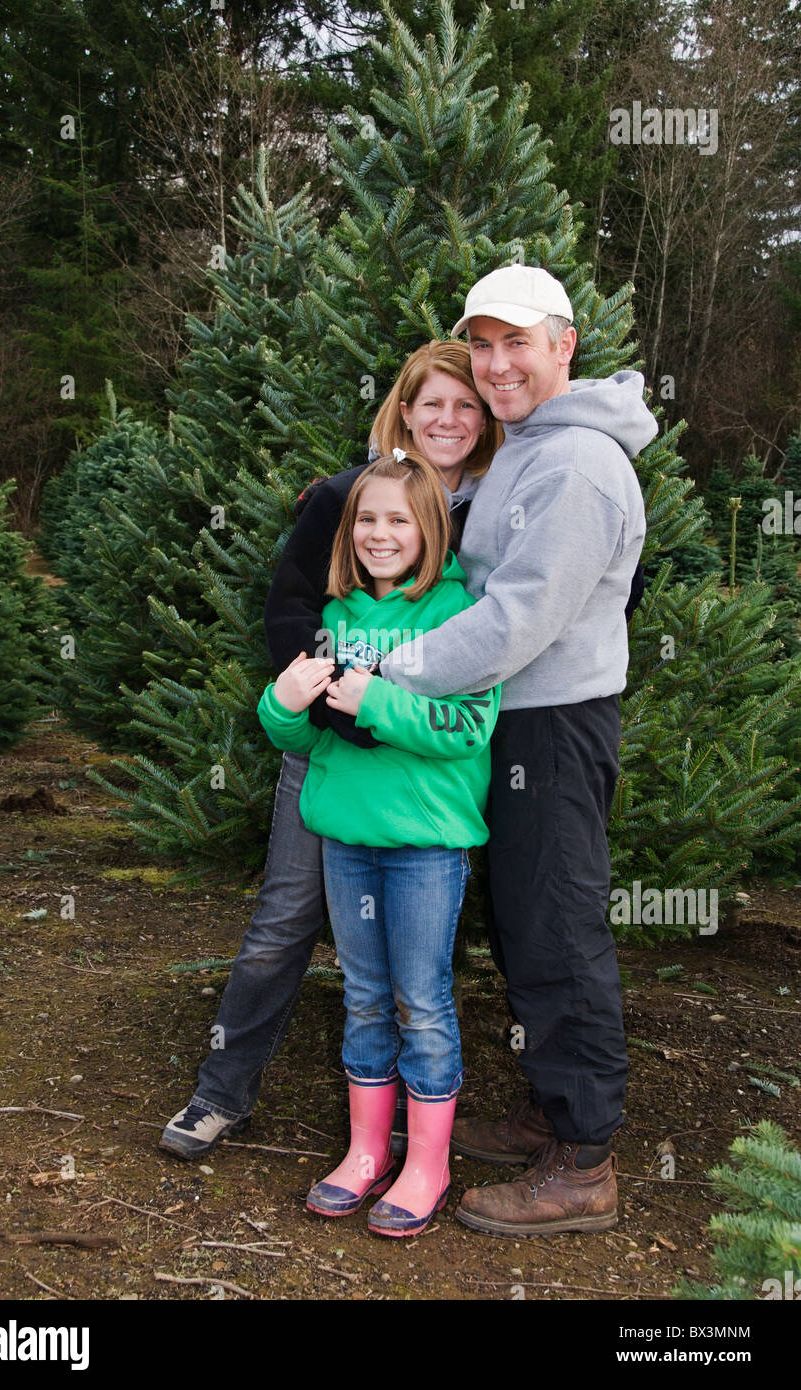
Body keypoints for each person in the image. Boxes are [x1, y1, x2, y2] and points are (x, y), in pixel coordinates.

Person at [159, 341, 502, 1160]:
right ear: (403, 411)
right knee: (283, 923)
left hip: (425, 776)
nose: (448, 420)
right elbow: (291, 609)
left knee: (415, 966)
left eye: (467, 406)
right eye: (432, 404)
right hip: (329, 749)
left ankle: (405, 1125)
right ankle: (221, 1093)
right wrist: (339, 708)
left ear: (486, 420)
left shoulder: (498, 505)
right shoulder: (349, 496)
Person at [378, 265, 658, 1236]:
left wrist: (389, 673)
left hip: (551, 720)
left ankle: (583, 1161)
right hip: (515, 718)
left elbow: (516, 615)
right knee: (521, 918)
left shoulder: (575, 463)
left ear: (563, 347)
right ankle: (551, 1109)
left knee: (556, 925)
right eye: (481, 344)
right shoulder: (534, 447)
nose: (495, 365)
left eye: (516, 344)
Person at [257, 452, 501, 1235]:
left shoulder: (459, 620)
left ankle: (426, 1163)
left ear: (430, 528)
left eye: (398, 519)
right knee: (362, 996)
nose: (379, 534)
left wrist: (379, 702)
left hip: (425, 846)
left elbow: (467, 728)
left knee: (419, 1002)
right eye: (366, 519)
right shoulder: (334, 618)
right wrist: (281, 704)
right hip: (346, 841)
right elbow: (303, 735)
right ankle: (365, 1152)